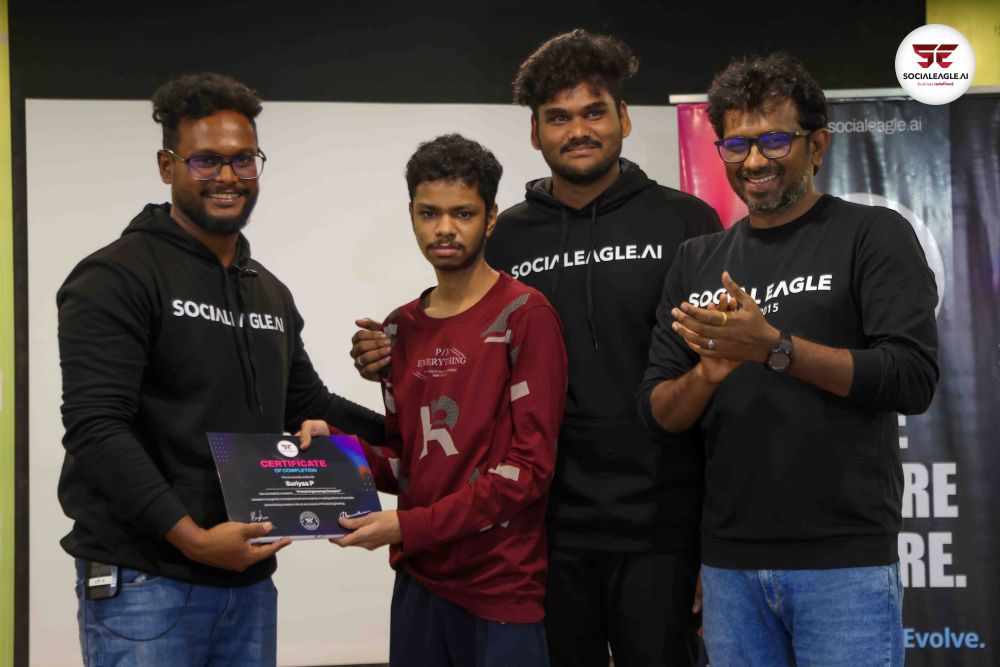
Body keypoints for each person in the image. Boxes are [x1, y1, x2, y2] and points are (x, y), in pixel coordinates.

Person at [352, 29, 721, 667]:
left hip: (662, 527)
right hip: (543, 531)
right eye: (558, 117)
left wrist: (713, 545)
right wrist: (387, 351)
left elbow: (718, 382)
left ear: (625, 118)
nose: (577, 130)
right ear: (534, 133)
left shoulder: (686, 223)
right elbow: (457, 334)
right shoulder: (509, 234)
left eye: (593, 112)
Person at [57, 72, 384, 666]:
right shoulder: (116, 275)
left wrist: (414, 425)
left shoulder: (269, 293)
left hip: (247, 582)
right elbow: (95, 426)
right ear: (167, 165)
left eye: (243, 160)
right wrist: (193, 538)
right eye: (206, 160)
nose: (228, 177)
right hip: (145, 584)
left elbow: (310, 405)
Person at [638, 53, 939, 666]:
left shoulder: (872, 235)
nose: (754, 162)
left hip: (844, 563)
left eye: (774, 140)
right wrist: (708, 373)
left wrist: (774, 348)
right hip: (728, 566)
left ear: (817, 143)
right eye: (736, 145)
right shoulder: (697, 259)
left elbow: (911, 378)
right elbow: (659, 414)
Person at [303, 134, 567, 666]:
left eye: (463, 213)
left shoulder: (524, 314)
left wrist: (406, 526)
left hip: (500, 586)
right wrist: (340, 451)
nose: (445, 229)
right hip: (420, 579)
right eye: (429, 213)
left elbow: (528, 471)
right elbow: (408, 463)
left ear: (491, 217)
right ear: (411, 215)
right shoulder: (399, 328)